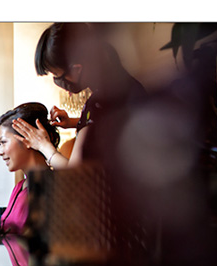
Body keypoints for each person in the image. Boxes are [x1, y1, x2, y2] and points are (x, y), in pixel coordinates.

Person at [11, 23, 147, 169]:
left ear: (76, 70)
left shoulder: (98, 103)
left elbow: (75, 173)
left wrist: (44, 146)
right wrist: (75, 122)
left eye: (57, 75)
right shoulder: (124, 84)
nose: (57, 82)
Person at [0, 102, 60, 235]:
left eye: (3, 142)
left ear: (27, 139)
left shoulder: (53, 187)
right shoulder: (20, 187)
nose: (0, 152)